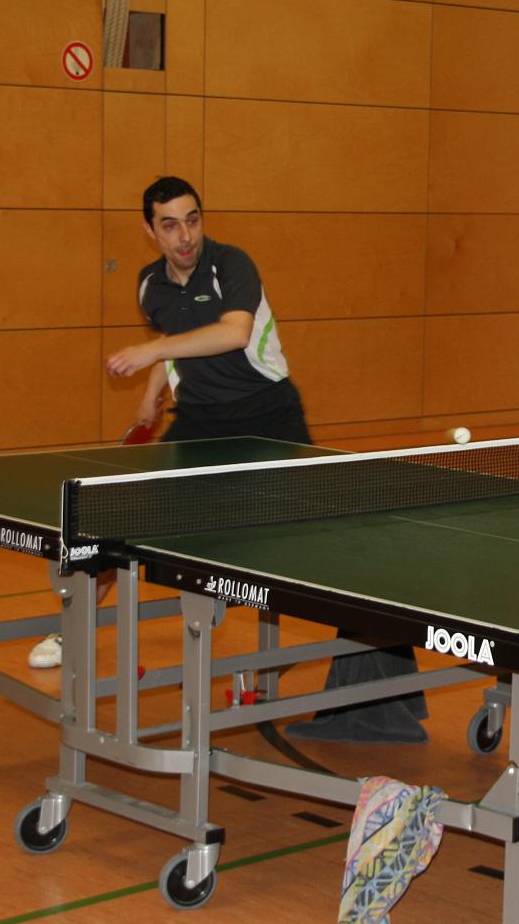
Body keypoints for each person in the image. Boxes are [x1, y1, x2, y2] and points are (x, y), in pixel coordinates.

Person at [31, 177, 426, 744]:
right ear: (150, 230)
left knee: (338, 543)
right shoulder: (149, 285)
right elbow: (177, 337)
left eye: (192, 220)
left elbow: (234, 332)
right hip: (200, 422)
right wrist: (151, 392)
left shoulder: (231, 265)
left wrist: (151, 352)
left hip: (269, 418)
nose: (185, 236)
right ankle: (72, 627)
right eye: (170, 225)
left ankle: (380, 697)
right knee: (117, 516)